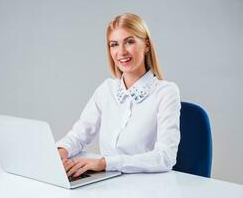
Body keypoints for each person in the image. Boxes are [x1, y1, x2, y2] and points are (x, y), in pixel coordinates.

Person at [56, 13, 181, 178]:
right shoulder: (106, 90)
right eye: (114, 44)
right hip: (108, 182)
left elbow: (165, 157)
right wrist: (60, 152)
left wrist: (105, 163)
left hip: (149, 187)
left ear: (146, 45)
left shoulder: (166, 92)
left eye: (129, 42)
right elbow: (79, 135)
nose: (121, 52)